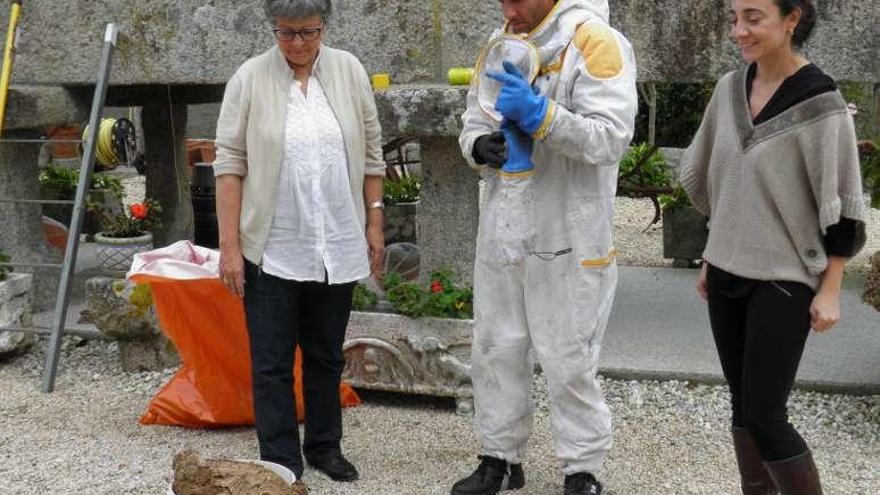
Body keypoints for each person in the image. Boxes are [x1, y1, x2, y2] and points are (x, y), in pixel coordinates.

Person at [680, 1, 866, 493]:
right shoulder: (728, 90)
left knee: (765, 413)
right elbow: (723, 182)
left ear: (792, 19)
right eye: (734, 18)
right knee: (743, 407)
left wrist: (831, 288)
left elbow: (845, 204)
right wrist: (710, 251)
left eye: (754, 18)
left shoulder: (822, 105)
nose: (739, 31)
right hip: (724, 270)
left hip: (785, 277)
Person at [454, 1, 638, 494]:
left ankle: (582, 470)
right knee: (495, 346)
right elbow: (475, 116)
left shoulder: (594, 41)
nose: (508, 10)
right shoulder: (500, 43)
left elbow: (612, 138)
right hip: (503, 226)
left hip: (569, 229)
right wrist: (477, 147)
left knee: (569, 355)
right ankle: (499, 458)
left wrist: (543, 118)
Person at [213, 0, 386, 483]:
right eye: (285, 33)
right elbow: (229, 165)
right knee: (270, 361)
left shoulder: (349, 70)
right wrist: (229, 248)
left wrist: (374, 223)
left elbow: (373, 155)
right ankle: (281, 460)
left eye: (307, 33)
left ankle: (325, 446)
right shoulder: (249, 79)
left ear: (324, 26)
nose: (296, 44)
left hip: (337, 238)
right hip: (272, 245)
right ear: (272, 29)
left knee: (326, 353)